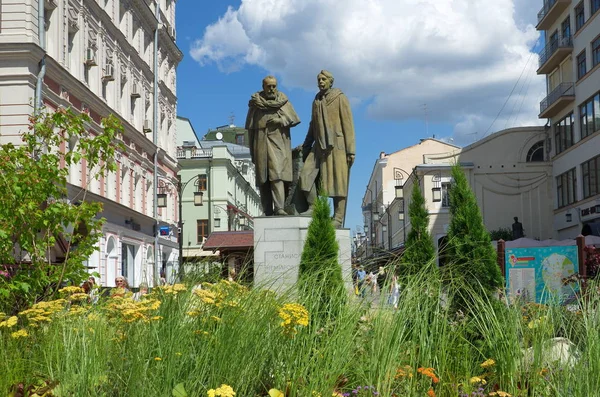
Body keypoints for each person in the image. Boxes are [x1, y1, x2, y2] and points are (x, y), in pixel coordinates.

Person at [299, 70, 356, 228]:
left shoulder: (340, 98)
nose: (320, 81)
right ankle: (313, 207)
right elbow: (313, 125)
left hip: (337, 146)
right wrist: (306, 145)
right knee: (306, 175)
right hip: (318, 145)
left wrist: (351, 150)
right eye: (318, 79)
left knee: (338, 182)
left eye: (324, 79)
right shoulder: (316, 100)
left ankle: (338, 217)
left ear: (331, 81)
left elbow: (348, 124)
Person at [245, 75, 301, 216]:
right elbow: (250, 129)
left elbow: (293, 119)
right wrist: (252, 150)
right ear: (263, 87)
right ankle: (267, 210)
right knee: (263, 179)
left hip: (278, 144)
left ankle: (279, 208)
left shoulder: (283, 101)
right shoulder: (255, 104)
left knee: (277, 175)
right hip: (261, 144)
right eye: (268, 86)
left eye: (274, 86)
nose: (271, 89)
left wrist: (280, 120)